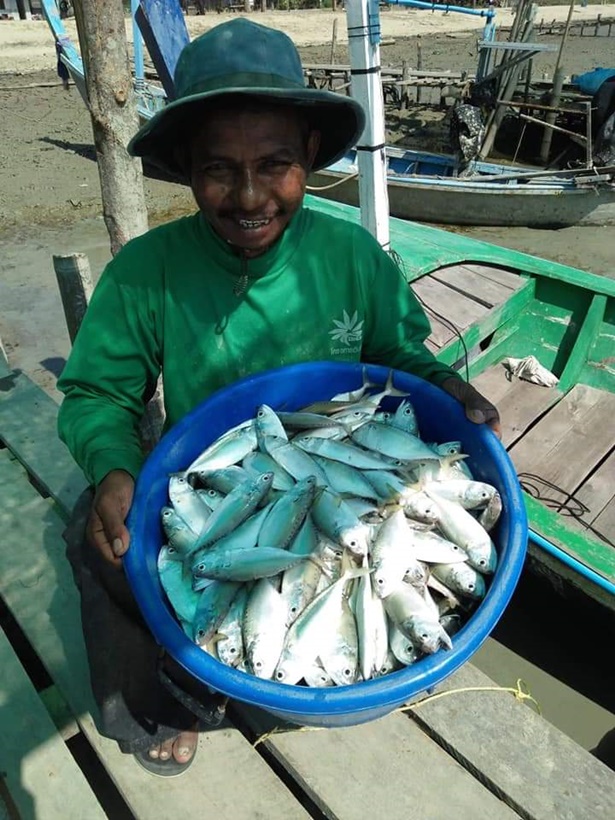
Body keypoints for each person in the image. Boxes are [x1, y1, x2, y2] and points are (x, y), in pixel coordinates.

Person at [57, 18, 500, 777]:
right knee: (94, 542)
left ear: (309, 161)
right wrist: (112, 467)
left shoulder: (351, 254)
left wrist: (441, 382)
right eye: (219, 170)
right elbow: (99, 391)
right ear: (188, 170)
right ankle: (159, 704)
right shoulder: (146, 271)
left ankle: (270, 662)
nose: (250, 196)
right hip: (215, 472)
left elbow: (393, 352)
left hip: (339, 460)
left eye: (276, 165)